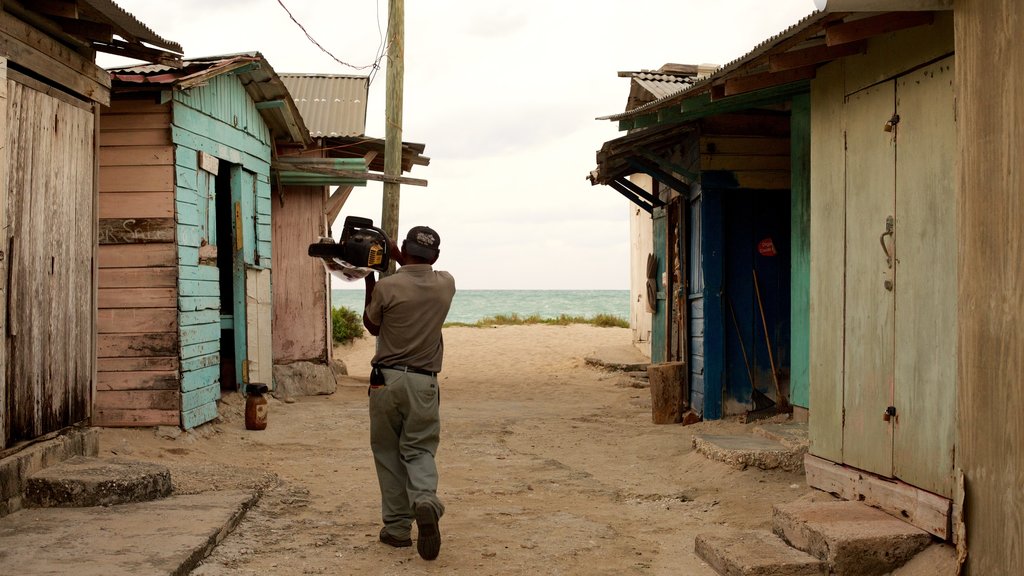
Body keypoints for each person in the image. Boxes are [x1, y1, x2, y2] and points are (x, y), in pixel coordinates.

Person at [362, 225, 455, 561]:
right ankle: (425, 499)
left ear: (402, 247)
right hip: (424, 381)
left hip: (385, 380)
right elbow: (418, 269)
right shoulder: (446, 284)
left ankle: (398, 529)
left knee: (387, 453)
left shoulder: (387, 287)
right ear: (437, 256)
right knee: (418, 449)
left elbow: (372, 325)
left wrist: (371, 277)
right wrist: (400, 256)